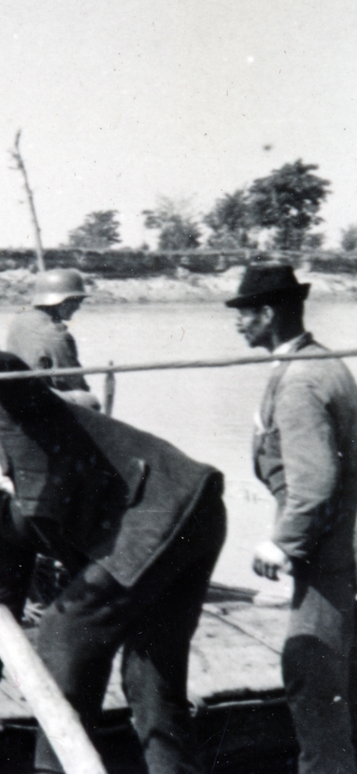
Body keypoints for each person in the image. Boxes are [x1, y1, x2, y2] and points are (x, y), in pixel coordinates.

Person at [0, 351, 226, 774]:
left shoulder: (21, 419)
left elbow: (7, 369)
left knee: (64, 629)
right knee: (151, 681)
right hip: (180, 523)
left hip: (169, 507)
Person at [231, 263, 357, 774]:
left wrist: (281, 542)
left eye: (244, 313)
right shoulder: (318, 361)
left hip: (323, 554)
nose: (237, 323)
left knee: (311, 671)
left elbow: (316, 481)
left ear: (267, 314)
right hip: (335, 546)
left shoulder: (301, 381)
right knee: (336, 677)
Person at [6, 268, 93, 392]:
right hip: (43, 398)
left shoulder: (19, 320)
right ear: (59, 301)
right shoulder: (57, 334)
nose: (78, 307)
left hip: (18, 394)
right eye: (75, 301)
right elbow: (73, 382)